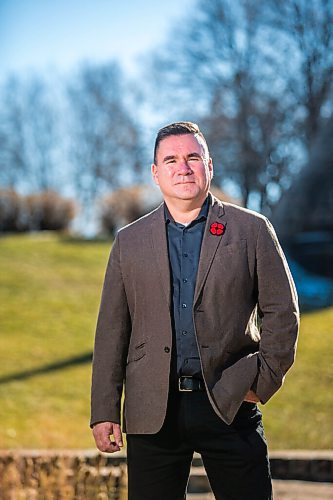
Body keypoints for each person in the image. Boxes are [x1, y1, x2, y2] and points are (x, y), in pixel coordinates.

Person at [90, 122, 299, 500]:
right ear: (155, 173)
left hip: (230, 400)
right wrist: (105, 409)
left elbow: (283, 313)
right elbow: (112, 331)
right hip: (151, 410)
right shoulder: (128, 242)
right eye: (170, 159)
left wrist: (262, 382)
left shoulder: (251, 230)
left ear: (209, 166)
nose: (182, 167)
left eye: (192, 157)